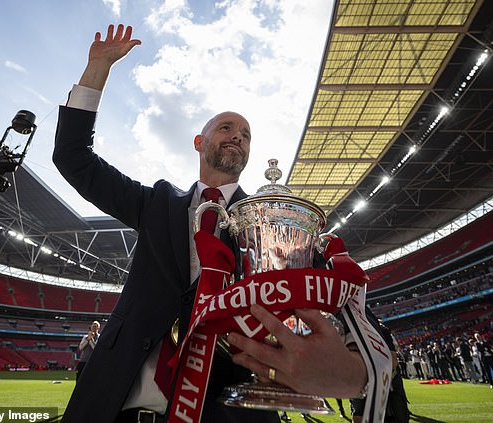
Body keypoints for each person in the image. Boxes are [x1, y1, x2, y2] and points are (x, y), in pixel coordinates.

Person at [54, 24, 387, 423]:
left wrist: (360, 371)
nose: (238, 137)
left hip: (227, 410)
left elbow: (333, 294)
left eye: (246, 134)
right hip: (113, 404)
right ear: (199, 141)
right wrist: (98, 69)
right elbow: (74, 159)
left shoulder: (274, 223)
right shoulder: (156, 202)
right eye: (227, 127)